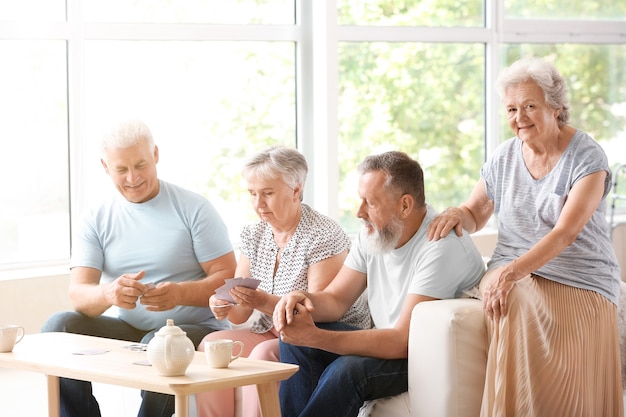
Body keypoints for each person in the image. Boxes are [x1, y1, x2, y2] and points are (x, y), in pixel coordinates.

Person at [427, 56, 623, 416]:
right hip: (511, 272)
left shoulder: (587, 157)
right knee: (509, 299)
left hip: (582, 276)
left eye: (530, 106)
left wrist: (512, 272)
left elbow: (566, 232)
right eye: (512, 109)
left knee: (511, 291)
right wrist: (458, 213)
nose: (520, 118)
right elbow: (475, 211)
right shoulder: (504, 157)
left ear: (556, 107)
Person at [41, 119, 237, 417]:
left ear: (156, 154)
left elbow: (228, 279)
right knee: (58, 327)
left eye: (141, 165)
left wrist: (179, 294)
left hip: (192, 330)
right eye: (121, 169)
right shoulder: (95, 218)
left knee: (160, 343)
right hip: (131, 328)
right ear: (105, 167)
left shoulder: (194, 208)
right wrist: (109, 294)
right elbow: (79, 294)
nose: (132, 178)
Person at [273, 150, 486, 417]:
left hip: (428, 355)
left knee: (347, 370)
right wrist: (300, 299)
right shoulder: (373, 235)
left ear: (405, 205)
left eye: (370, 203)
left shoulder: (441, 245)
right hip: (394, 345)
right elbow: (336, 300)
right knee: (293, 337)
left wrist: (317, 337)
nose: (359, 212)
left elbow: (402, 342)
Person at [195, 145, 372, 417]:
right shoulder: (253, 234)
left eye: (267, 193)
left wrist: (262, 300)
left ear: (296, 190)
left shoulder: (322, 234)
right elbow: (240, 313)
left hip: (324, 333)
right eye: (252, 194)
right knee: (210, 346)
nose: (258, 204)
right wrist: (222, 303)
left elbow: (318, 313)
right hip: (273, 329)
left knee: (263, 356)